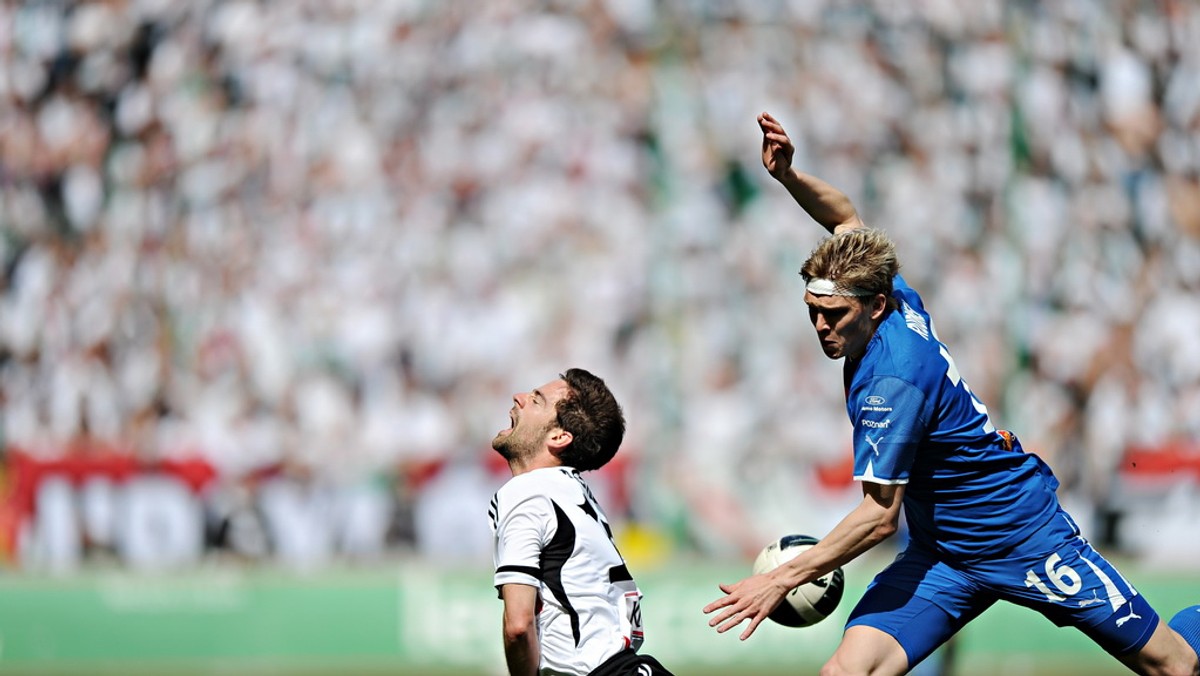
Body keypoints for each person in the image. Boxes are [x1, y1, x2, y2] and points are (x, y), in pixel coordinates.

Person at [702, 112, 1200, 676]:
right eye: (813, 312)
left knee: (1175, 667)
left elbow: (878, 518)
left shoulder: (892, 381)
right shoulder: (892, 293)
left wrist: (780, 579)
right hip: (943, 552)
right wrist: (790, 178)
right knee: (846, 673)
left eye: (834, 315)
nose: (821, 327)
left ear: (874, 306)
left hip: (1020, 533)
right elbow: (844, 217)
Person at [489, 368, 674, 676]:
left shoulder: (528, 492)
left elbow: (518, 625)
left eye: (536, 400)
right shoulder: (570, 493)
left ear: (559, 436)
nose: (518, 397)